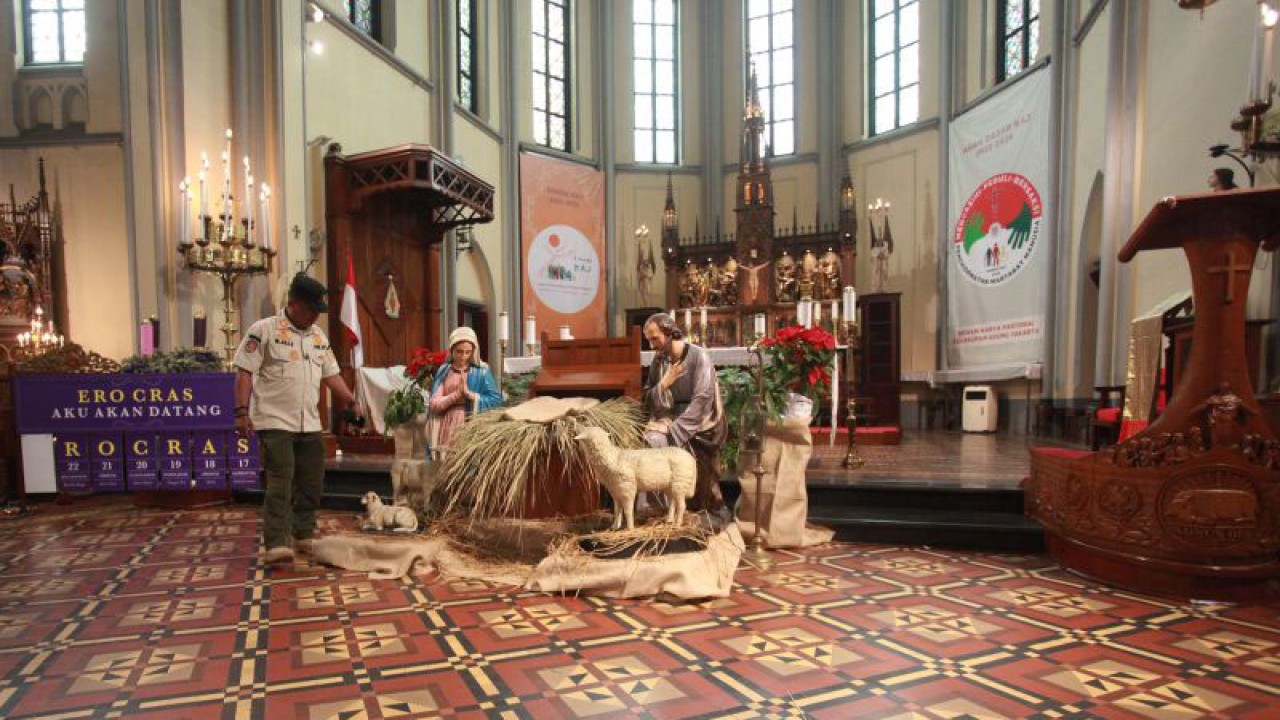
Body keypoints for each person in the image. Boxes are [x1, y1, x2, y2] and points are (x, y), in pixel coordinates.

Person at [234, 274, 361, 566]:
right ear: (293, 304)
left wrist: (351, 400)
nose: (316, 314)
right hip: (274, 421)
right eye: (311, 308)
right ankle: (276, 543)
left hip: (310, 423)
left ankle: (302, 533)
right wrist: (241, 412)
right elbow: (244, 372)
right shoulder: (263, 330)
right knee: (281, 481)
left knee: (312, 482)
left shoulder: (318, 337)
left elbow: (331, 375)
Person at [641, 312, 728, 522]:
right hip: (671, 416)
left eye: (655, 338)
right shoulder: (659, 361)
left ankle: (711, 511)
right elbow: (647, 396)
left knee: (705, 481)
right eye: (649, 340)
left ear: (670, 333)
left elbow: (703, 399)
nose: (652, 346)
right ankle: (660, 511)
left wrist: (672, 429)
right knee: (652, 441)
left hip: (703, 422)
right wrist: (663, 385)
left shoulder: (699, 357)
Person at [426, 326, 503, 454]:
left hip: (471, 424)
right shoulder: (444, 371)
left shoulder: (481, 372)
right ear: (452, 350)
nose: (463, 356)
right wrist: (456, 395)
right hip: (447, 425)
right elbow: (434, 404)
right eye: (459, 352)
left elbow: (495, 400)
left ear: (474, 351)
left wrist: (470, 395)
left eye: (468, 352)